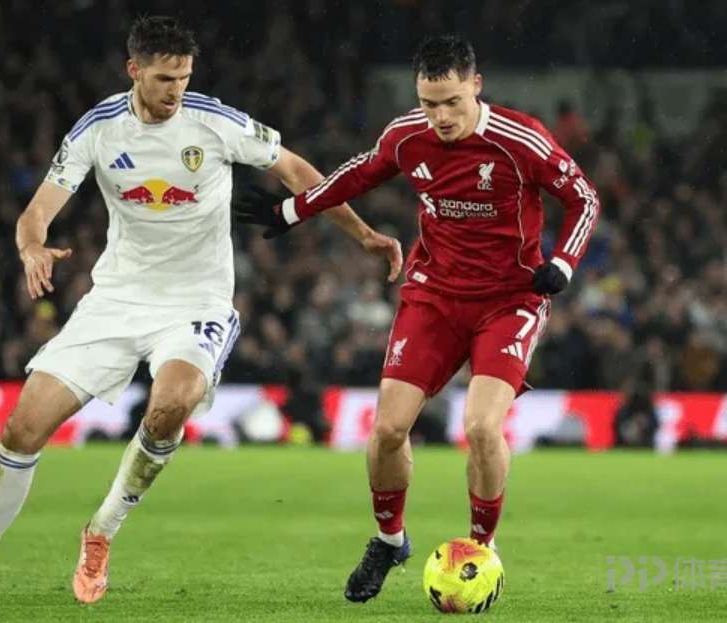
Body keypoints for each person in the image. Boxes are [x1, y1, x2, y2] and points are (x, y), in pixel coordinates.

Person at [0, 15, 401, 605]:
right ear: (134, 70)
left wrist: (363, 234)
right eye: (163, 79)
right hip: (115, 299)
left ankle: (101, 531)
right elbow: (38, 211)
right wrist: (31, 247)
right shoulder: (98, 128)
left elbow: (295, 170)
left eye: (184, 77)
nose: (175, 90)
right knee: (22, 428)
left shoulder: (214, 121)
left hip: (197, 302)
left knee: (173, 403)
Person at [235, 34, 599, 603]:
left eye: (452, 101)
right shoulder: (407, 135)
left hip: (510, 300)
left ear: (476, 86)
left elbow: (584, 198)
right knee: (386, 430)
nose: (441, 116)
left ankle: (482, 550)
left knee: (481, 428)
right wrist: (291, 210)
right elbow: (358, 173)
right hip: (434, 297)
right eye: (429, 103)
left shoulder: (519, 139)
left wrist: (564, 262)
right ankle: (389, 541)